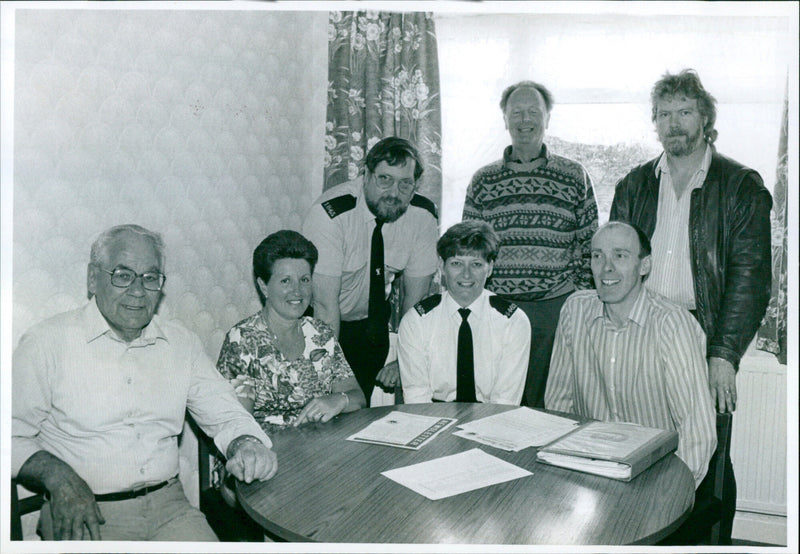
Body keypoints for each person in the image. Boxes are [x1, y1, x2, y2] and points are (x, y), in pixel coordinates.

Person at [12, 224, 277, 541]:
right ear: (93, 278)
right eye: (123, 275)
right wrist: (58, 477)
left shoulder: (181, 343)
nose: (138, 290)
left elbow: (225, 414)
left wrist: (245, 443)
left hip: (171, 509)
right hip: (85, 513)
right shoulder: (47, 343)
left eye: (150, 278)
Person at [610, 69, 772, 543]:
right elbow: (616, 261)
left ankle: (712, 546)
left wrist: (723, 355)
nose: (673, 122)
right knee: (645, 448)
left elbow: (751, 277)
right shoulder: (635, 184)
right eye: (664, 114)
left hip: (705, 337)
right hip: (643, 330)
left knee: (710, 456)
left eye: (684, 112)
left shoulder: (740, 184)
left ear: (705, 118)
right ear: (654, 122)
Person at [545, 222, 716, 489]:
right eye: (597, 255)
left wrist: (669, 496)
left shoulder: (671, 323)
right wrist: (559, 474)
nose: (606, 268)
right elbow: (558, 406)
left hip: (655, 474)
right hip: (587, 469)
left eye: (620, 255)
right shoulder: (575, 310)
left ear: (644, 266)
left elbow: (698, 431)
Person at [463, 80, 598, 409]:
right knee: (497, 402)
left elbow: (590, 242)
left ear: (547, 117)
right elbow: (469, 249)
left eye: (533, 112)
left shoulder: (573, 174)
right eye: (516, 112)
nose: (525, 120)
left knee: (550, 404)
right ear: (505, 119)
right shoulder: (483, 180)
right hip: (499, 309)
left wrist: (574, 296)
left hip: (555, 310)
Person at [303, 137, 439, 405]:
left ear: (415, 186)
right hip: (324, 324)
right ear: (365, 174)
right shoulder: (331, 214)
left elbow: (416, 305)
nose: (393, 192)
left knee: (358, 411)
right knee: (324, 411)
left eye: (405, 184)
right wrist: (325, 377)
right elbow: (325, 309)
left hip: (372, 326)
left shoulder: (422, 216)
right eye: (384, 179)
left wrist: (404, 360)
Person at [217, 230, 365, 432]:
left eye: (304, 280)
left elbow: (358, 397)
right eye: (286, 281)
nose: (298, 291)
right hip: (264, 452)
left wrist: (339, 400)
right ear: (264, 286)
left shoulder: (320, 334)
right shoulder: (243, 340)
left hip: (321, 449)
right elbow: (238, 422)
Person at [398, 221, 530, 404]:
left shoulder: (514, 322)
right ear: (442, 266)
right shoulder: (416, 321)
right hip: (433, 415)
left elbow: (505, 402)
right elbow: (417, 399)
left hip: (495, 418)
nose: (466, 275)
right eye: (456, 263)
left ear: (490, 267)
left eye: (476, 264)